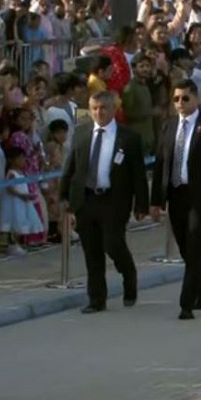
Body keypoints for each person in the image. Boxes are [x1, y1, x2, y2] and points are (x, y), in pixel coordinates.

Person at [60, 91, 150, 314]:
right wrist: (64, 197)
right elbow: (70, 168)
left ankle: (128, 274)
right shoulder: (81, 133)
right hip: (86, 200)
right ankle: (97, 299)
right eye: (95, 108)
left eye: (103, 108)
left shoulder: (128, 138)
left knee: (113, 244)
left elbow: (138, 173)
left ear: (113, 110)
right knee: (92, 251)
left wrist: (141, 204)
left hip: (114, 200)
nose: (99, 112)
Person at [150, 79, 201, 320]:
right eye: (176, 99)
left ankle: (186, 303)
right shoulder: (168, 126)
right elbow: (160, 165)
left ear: (196, 99)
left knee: (196, 245)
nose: (180, 103)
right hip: (176, 194)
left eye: (185, 98)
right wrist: (156, 201)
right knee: (186, 248)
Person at [0, 147, 45, 256]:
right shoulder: (11, 173)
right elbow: (9, 188)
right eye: (20, 158)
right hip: (14, 202)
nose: (23, 161)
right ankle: (12, 244)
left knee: (20, 223)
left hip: (22, 201)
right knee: (14, 222)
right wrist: (20, 195)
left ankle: (17, 243)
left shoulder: (21, 173)